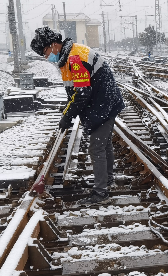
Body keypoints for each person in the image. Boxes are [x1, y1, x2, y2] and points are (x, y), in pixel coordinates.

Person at [30, 27, 126, 205]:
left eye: (45, 52)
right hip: (103, 102)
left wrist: (68, 115)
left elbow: (82, 93)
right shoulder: (67, 57)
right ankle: (106, 180)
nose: (46, 57)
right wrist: (68, 112)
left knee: (96, 148)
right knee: (103, 145)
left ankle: (101, 193)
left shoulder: (75, 58)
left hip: (103, 104)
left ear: (53, 45)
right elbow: (75, 91)